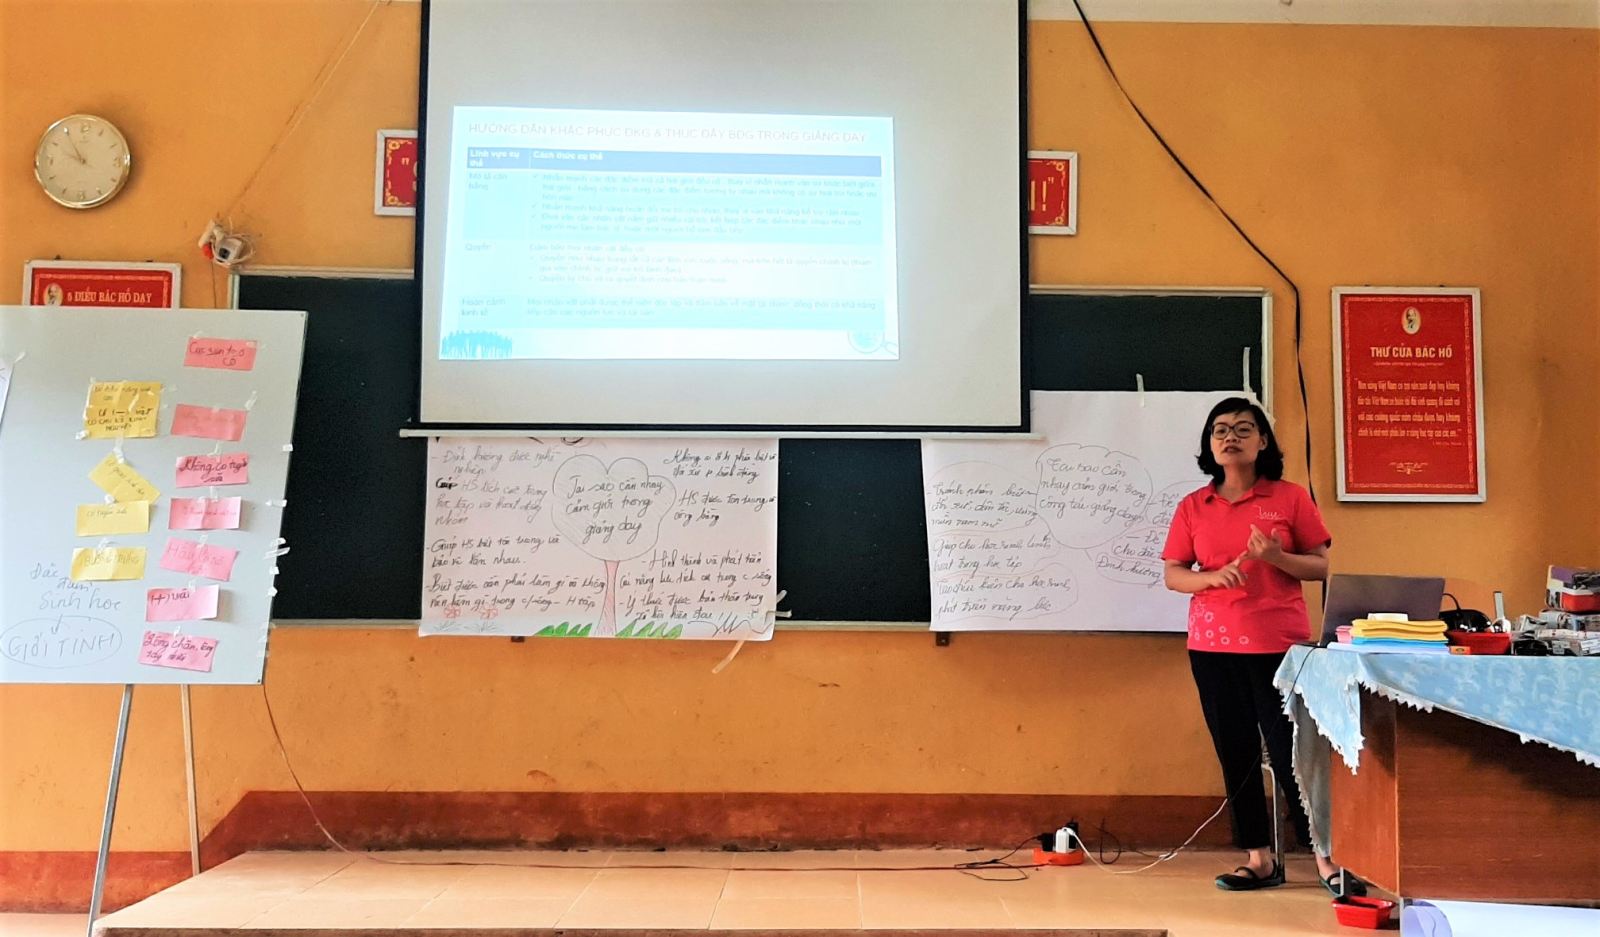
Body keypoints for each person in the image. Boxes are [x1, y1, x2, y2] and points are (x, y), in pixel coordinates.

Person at [1161, 397, 1363, 896]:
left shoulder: (1289, 499)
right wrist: (1209, 579)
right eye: (1220, 430)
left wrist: (1275, 555)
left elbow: (1320, 567)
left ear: (1263, 441)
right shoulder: (1193, 506)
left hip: (1281, 647)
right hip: (1211, 648)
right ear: (1209, 444)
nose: (1230, 437)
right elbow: (1173, 574)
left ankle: (1325, 858)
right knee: (1237, 752)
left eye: (1243, 429)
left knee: (1294, 752)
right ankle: (1259, 857)